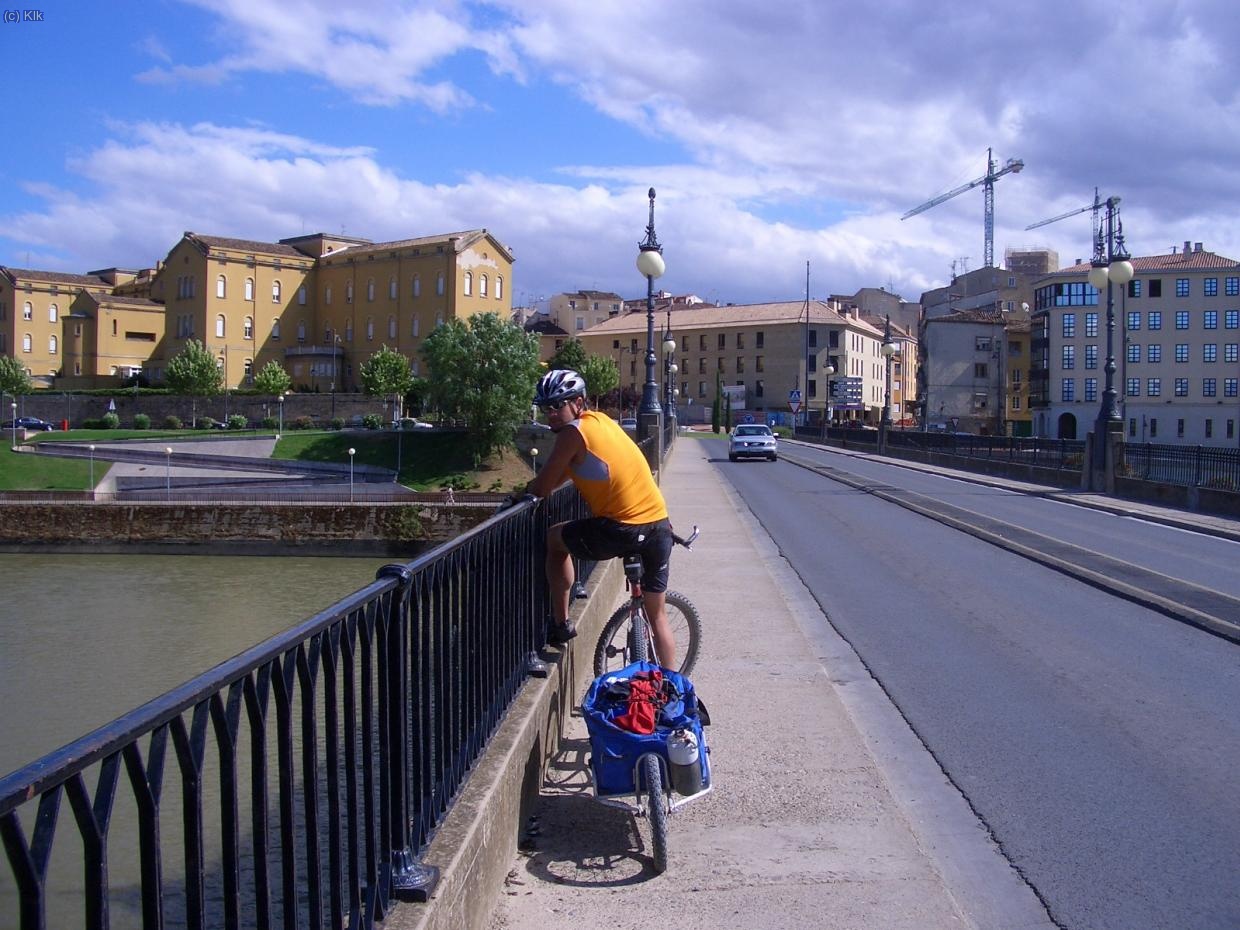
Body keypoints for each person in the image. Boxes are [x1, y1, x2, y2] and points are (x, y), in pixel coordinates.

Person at [512, 369, 677, 665]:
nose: (550, 414)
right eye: (544, 407)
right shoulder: (602, 422)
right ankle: (671, 692)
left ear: (577, 402)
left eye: (556, 406)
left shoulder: (573, 433)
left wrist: (522, 495)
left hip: (622, 529)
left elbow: (543, 485)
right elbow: (568, 469)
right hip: (659, 526)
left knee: (554, 539)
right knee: (658, 616)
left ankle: (561, 624)